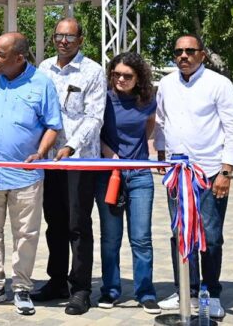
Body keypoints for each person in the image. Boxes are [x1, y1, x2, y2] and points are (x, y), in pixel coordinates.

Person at [0, 32, 61, 316]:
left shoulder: (41, 83)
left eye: (0, 54)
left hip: (25, 176)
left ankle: (21, 288)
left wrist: (41, 153)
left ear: (19, 58)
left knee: (26, 234)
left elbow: (53, 125)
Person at [154, 34, 233, 320]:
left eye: (190, 51)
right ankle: (186, 291)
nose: (183, 56)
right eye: (178, 51)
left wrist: (226, 171)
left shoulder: (219, 84)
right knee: (180, 233)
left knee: (211, 236)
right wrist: (160, 155)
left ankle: (210, 293)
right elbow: (161, 121)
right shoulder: (167, 83)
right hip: (177, 174)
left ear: (202, 55)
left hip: (209, 173)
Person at [34, 17, 105, 315]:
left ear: (81, 40)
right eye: (58, 36)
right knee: (55, 223)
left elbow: (94, 117)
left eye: (69, 37)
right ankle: (57, 281)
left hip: (79, 158)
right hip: (49, 160)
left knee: (78, 224)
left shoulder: (94, 71)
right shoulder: (43, 68)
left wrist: (70, 146)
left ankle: (81, 289)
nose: (63, 41)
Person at [94, 52, 160, 314]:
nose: (120, 79)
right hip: (109, 175)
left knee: (141, 238)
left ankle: (145, 292)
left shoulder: (147, 101)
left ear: (138, 78)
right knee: (110, 238)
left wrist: (135, 154)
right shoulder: (103, 99)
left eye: (127, 75)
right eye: (116, 74)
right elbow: (95, 129)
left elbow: (149, 127)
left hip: (141, 175)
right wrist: (112, 155)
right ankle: (110, 290)